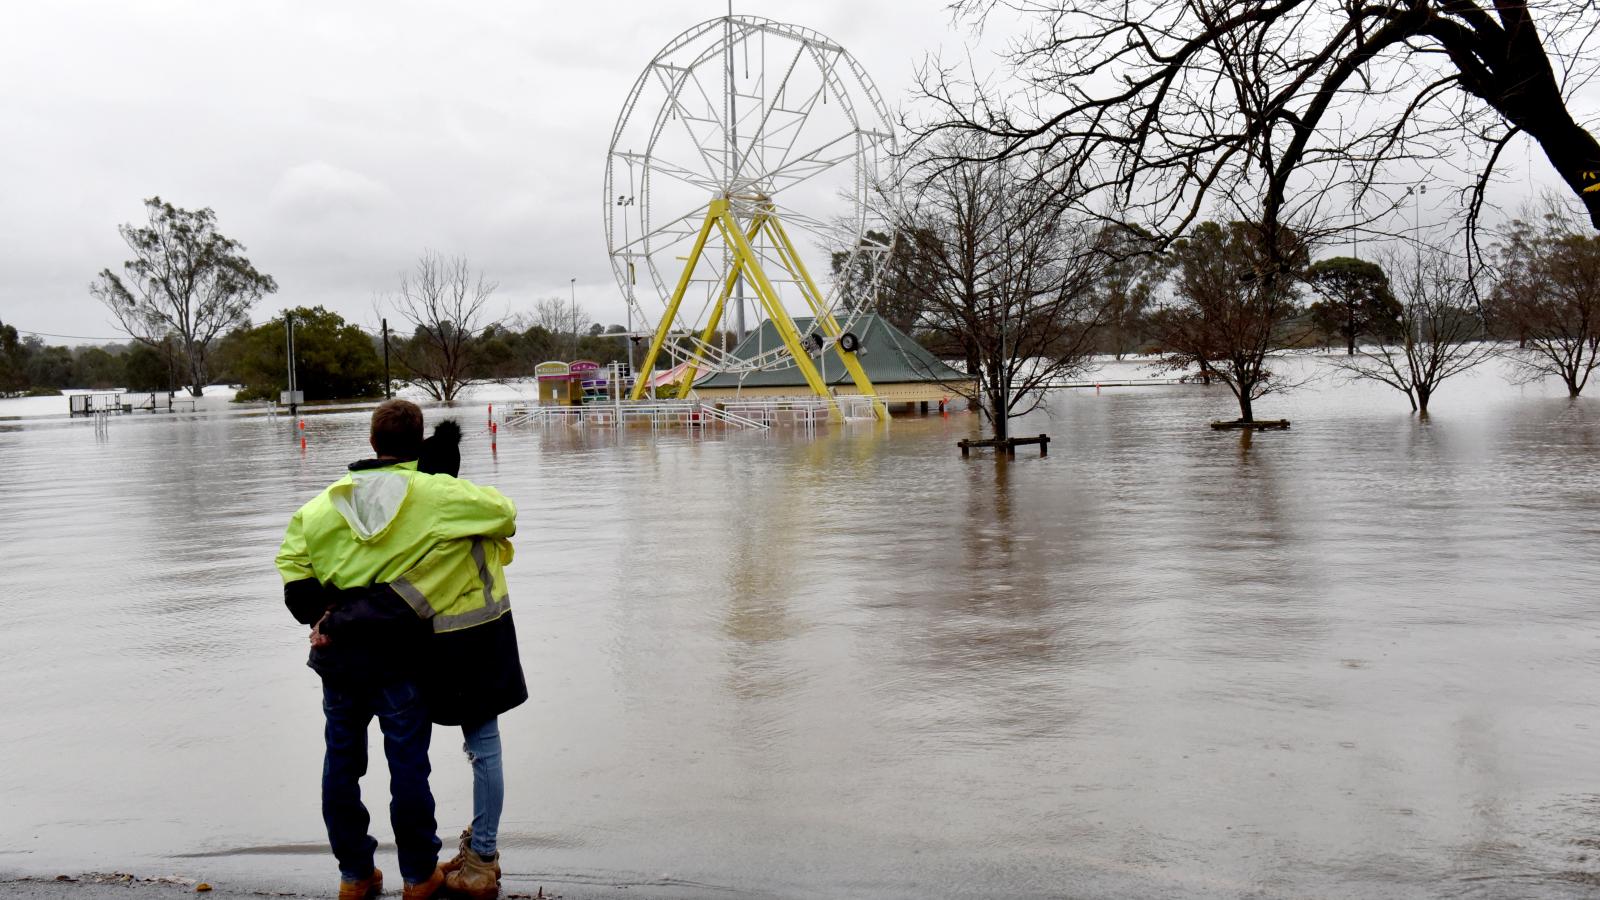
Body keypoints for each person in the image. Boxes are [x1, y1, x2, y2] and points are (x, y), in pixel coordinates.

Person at [276, 400, 517, 900]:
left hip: (338, 656)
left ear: (371, 442)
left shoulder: (323, 505)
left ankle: (354, 875)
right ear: (419, 440)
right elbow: (503, 514)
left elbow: (294, 580)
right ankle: (417, 877)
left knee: (340, 765)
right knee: (408, 767)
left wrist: (329, 614)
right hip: (398, 655)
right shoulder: (437, 494)